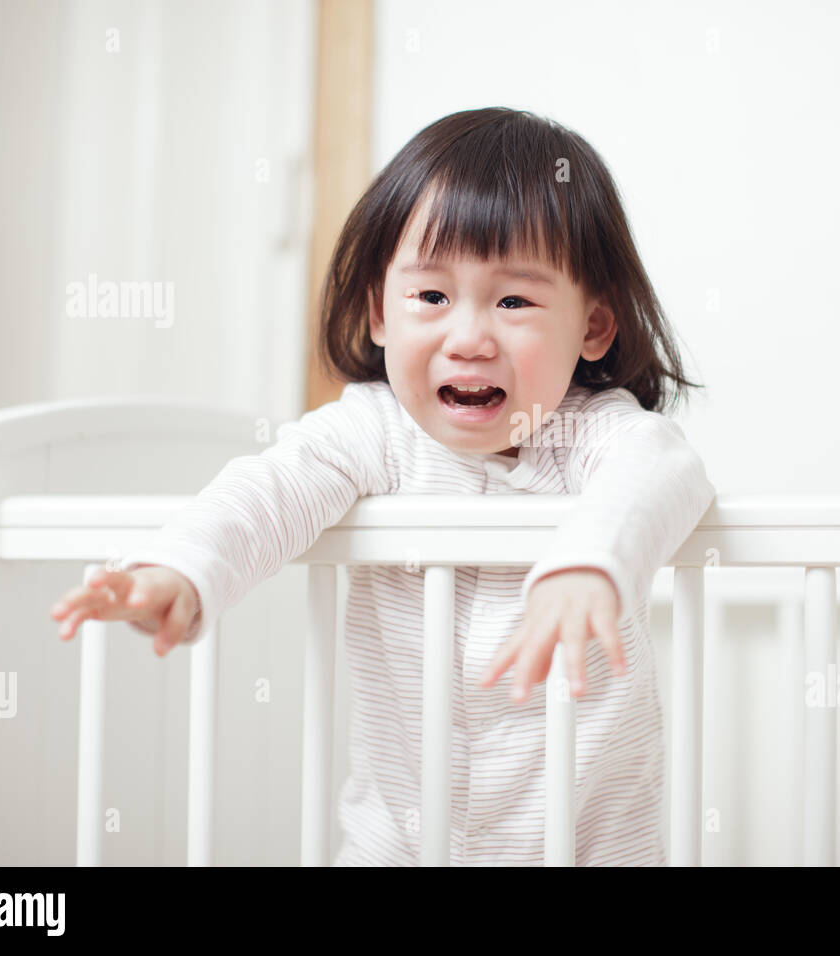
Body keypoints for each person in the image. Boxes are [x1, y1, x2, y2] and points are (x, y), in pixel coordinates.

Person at [49, 106, 716, 865]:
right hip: (395, 840)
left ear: (594, 328)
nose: (469, 337)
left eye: (515, 301)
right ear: (377, 312)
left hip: (589, 841)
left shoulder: (592, 433)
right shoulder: (373, 432)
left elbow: (663, 467)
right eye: (431, 298)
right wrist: (179, 568)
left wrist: (590, 564)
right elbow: (269, 492)